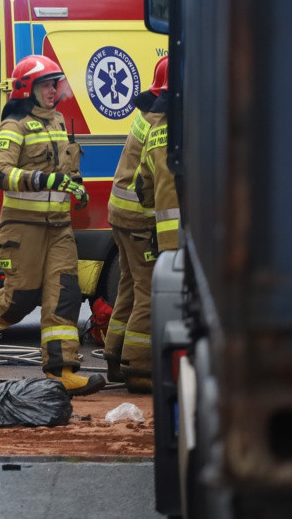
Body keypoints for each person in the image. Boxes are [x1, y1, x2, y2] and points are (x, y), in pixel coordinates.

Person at [0, 55, 106, 397]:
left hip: (58, 227)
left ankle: (62, 370)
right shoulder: (14, 127)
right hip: (23, 228)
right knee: (21, 298)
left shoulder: (57, 121)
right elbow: (0, 173)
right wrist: (42, 178)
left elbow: (66, 167)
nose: (53, 91)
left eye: (55, 84)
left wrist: (77, 186)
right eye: (46, 85)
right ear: (28, 89)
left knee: (65, 295)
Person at [103, 57, 168, 392]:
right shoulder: (164, 122)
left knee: (128, 286)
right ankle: (139, 368)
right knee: (148, 292)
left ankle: (115, 354)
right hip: (139, 219)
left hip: (121, 214)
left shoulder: (147, 114)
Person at [124, 58, 180, 393]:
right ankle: (141, 368)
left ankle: (129, 363)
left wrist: (156, 218)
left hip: (161, 233)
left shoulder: (157, 126)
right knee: (147, 296)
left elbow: (144, 185)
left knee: (138, 293)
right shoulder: (194, 125)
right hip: (190, 237)